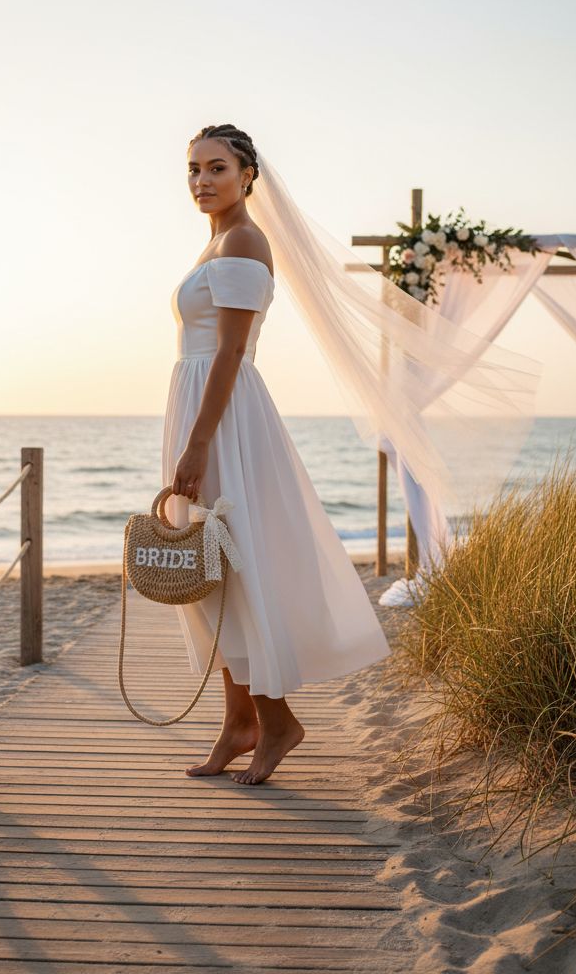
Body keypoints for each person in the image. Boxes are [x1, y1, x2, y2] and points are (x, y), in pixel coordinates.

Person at [162, 124, 392, 786]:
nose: (202, 180)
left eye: (216, 168)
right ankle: (239, 724)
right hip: (201, 407)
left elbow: (231, 353)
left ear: (247, 175)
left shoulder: (243, 241)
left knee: (232, 566)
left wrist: (198, 443)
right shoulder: (215, 241)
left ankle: (277, 721)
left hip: (224, 419)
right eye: (193, 170)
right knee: (210, 575)